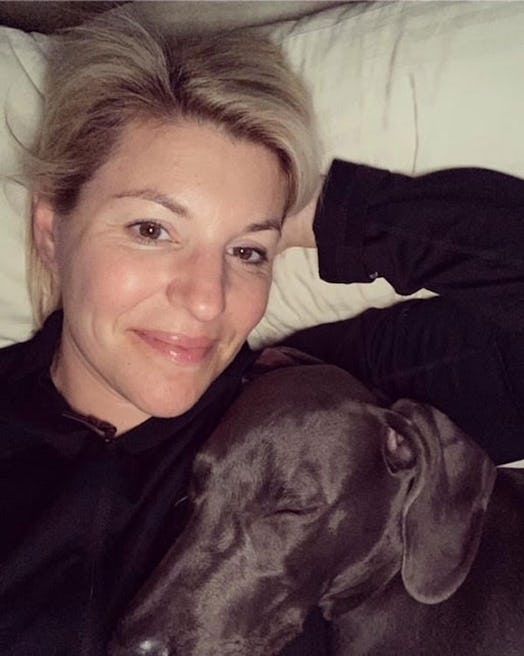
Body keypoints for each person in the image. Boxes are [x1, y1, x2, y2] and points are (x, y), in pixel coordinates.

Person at [0, 7, 522, 656]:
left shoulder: (304, 410)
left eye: (246, 251)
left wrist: (331, 215)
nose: (203, 297)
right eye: (152, 230)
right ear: (52, 232)